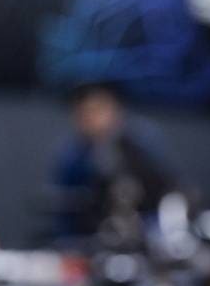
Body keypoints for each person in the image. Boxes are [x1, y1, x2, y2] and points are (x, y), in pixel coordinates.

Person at [51, 84, 177, 239]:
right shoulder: (72, 155)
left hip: (147, 232)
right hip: (89, 236)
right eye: (83, 112)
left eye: (97, 110)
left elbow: (166, 191)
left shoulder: (140, 143)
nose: (91, 118)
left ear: (116, 111)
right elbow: (66, 209)